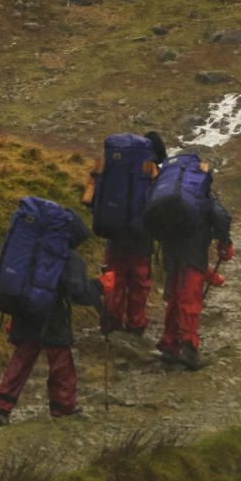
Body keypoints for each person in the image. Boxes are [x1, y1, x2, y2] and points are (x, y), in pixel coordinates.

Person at [0, 209, 110, 425]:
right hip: (53, 317)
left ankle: (0, 406)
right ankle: (63, 408)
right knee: (61, 362)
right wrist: (101, 285)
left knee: (22, 358)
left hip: (25, 311)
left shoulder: (32, 249)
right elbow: (78, 293)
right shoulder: (70, 257)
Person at [84, 131, 167, 337]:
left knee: (113, 280)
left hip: (113, 235)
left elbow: (89, 198)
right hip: (140, 239)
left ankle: (111, 324)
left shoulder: (110, 162)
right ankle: (135, 325)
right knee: (139, 285)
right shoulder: (151, 168)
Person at [155, 164, 233, 371]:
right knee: (190, 300)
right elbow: (221, 217)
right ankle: (188, 349)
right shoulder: (202, 194)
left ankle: (169, 345)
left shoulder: (171, 193)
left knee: (173, 298)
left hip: (171, 253)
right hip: (193, 254)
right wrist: (225, 242)